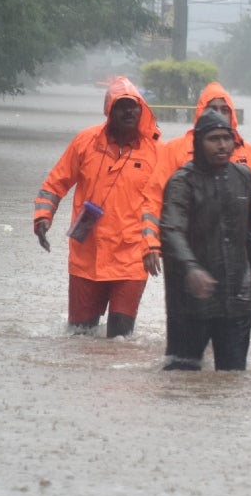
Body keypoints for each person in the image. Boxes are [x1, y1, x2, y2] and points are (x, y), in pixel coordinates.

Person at [33, 76, 160, 338]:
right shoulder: (85, 142)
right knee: (79, 335)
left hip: (132, 257)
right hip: (86, 254)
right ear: (109, 110)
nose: (128, 111)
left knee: (120, 338)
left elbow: (169, 202)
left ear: (142, 109)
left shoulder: (156, 152)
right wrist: (43, 217)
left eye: (133, 105)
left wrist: (157, 245)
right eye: (121, 105)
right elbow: (55, 183)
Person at [142, 81, 251, 282]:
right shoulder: (175, 150)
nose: (218, 114)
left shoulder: (247, 153)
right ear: (200, 112)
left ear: (232, 114)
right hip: (189, 262)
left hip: (235, 261)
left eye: (224, 109)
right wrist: (150, 242)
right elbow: (155, 201)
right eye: (212, 108)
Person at [159, 109, 251, 371]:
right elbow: (171, 230)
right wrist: (191, 268)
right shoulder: (182, 182)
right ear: (198, 143)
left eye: (226, 138)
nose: (222, 145)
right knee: (182, 376)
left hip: (237, 297)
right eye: (214, 139)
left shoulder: (244, 177)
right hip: (191, 301)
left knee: (231, 379)